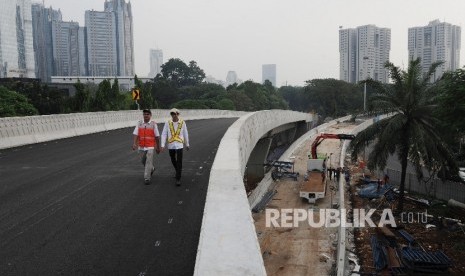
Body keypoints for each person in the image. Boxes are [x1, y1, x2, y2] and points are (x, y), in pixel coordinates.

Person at [161, 108, 190, 186]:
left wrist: (187, 144)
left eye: (175, 114)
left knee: (179, 161)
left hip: (179, 144)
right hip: (171, 145)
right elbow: (164, 134)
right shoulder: (167, 123)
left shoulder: (182, 123)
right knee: (173, 159)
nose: (174, 115)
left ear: (178, 114)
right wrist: (162, 145)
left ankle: (178, 178)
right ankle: (178, 171)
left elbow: (185, 133)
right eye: (172, 114)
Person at [132, 109, 161, 185]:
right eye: (145, 114)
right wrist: (134, 143)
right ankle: (152, 168)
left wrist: (158, 147)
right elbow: (136, 134)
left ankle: (147, 178)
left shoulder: (153, 124)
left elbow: (157, 137)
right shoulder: (139, 123)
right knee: (143, 161)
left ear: (150, 115)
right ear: (143, 115)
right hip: (141, 146)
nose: (146, 115)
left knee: (148, 161)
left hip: (150, 146)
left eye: (147, 114)